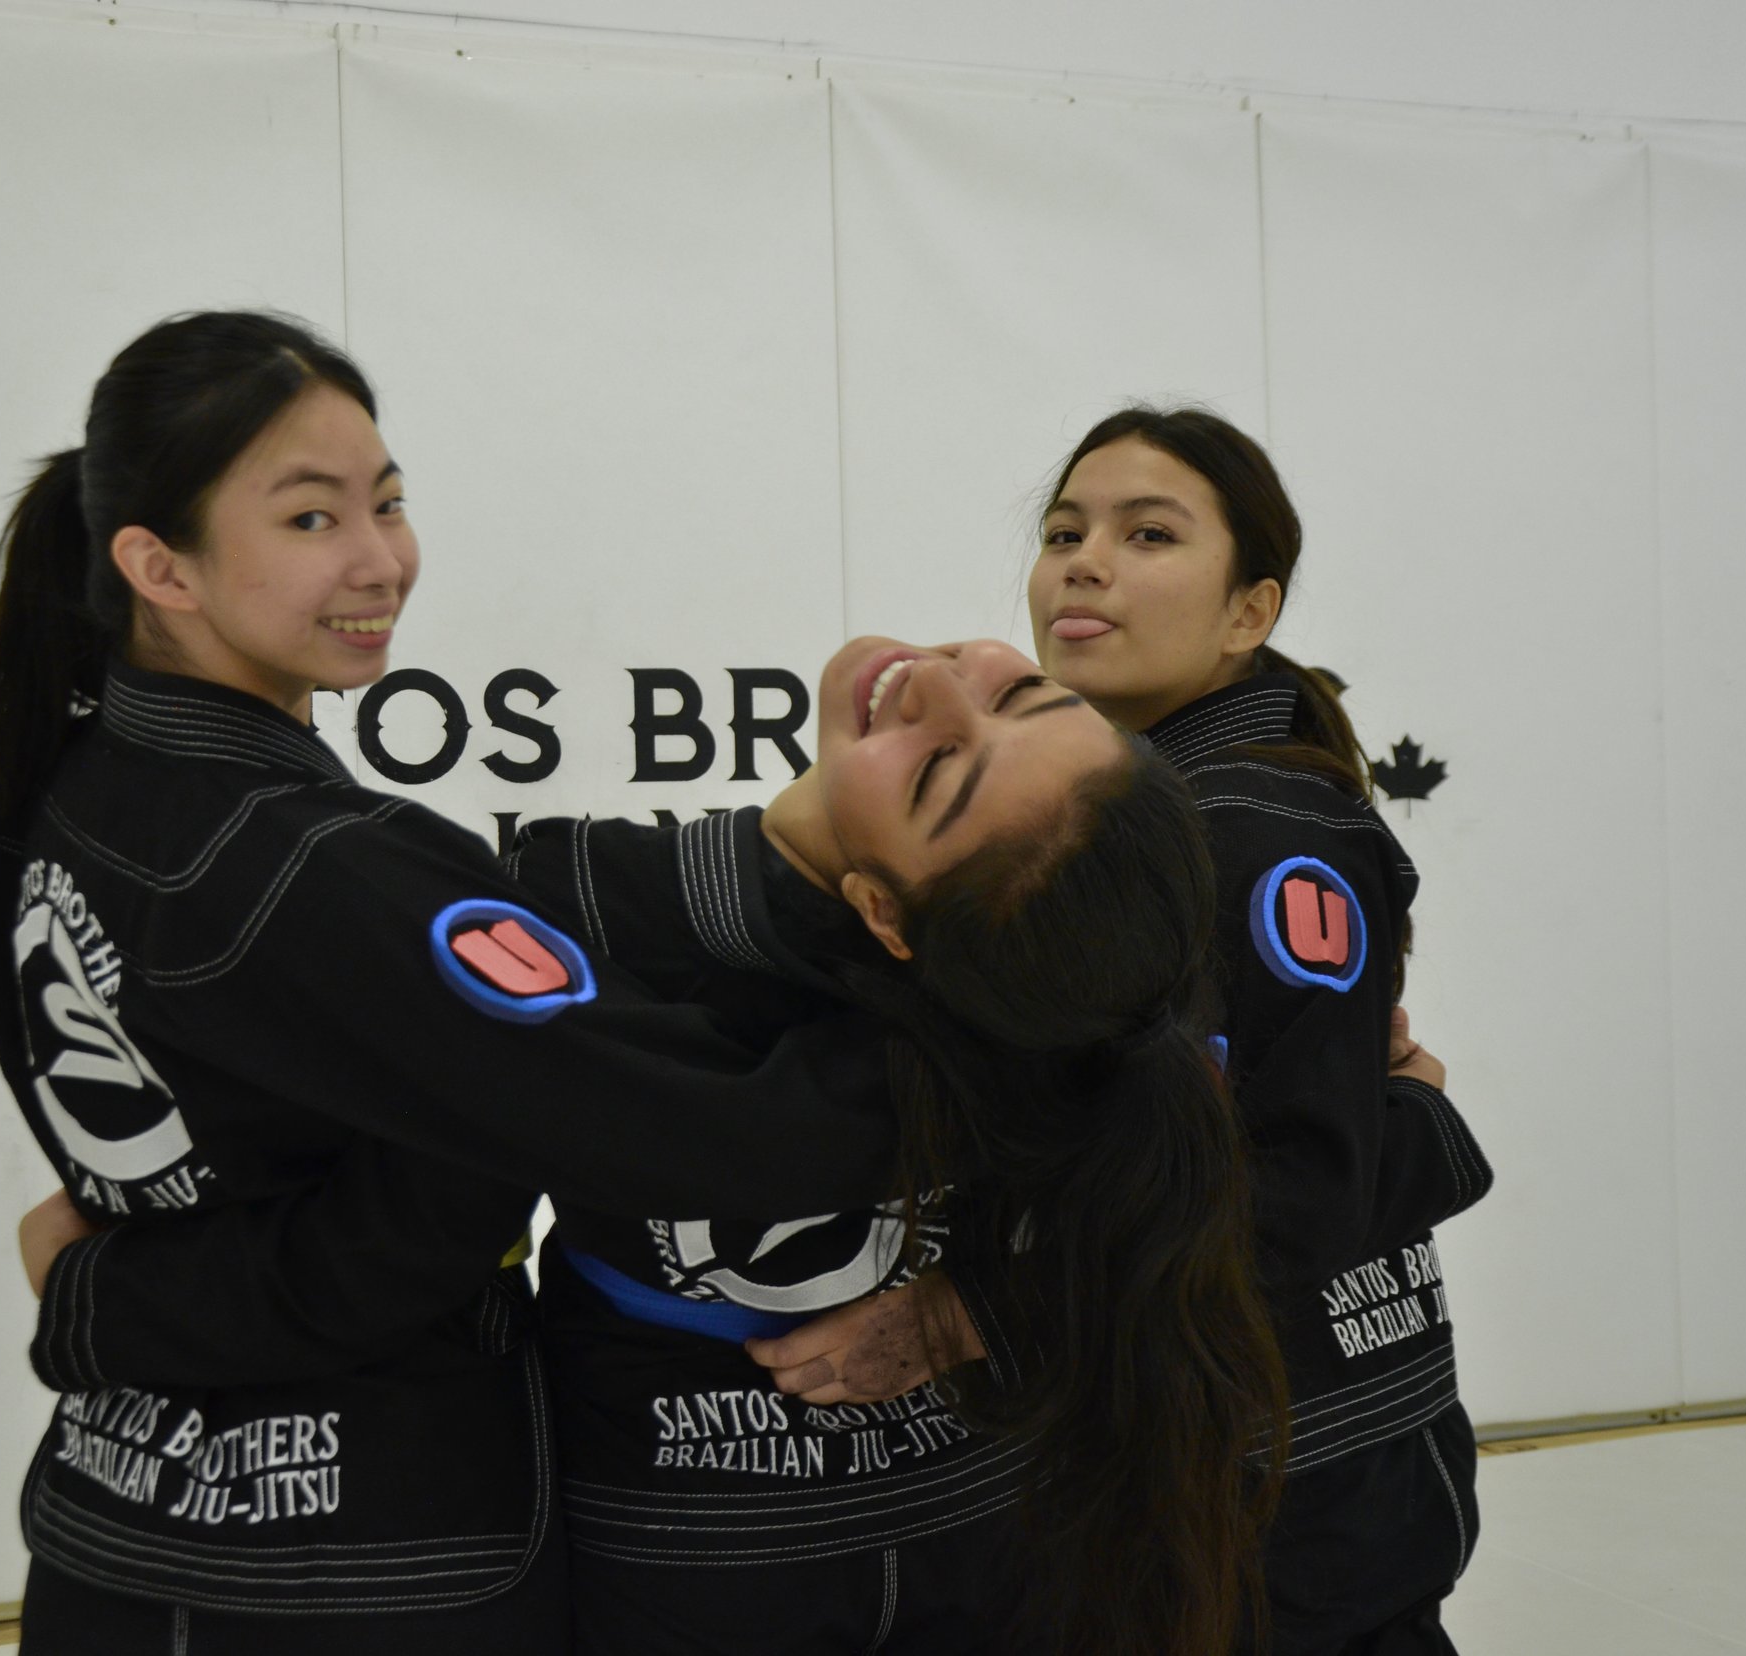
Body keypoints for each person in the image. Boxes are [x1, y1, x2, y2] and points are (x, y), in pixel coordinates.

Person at [0, 310, 913, 1654]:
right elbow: (704, 1131)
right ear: (157, 565)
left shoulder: (72, 784)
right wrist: (983, 1025)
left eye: (390, 502)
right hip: (359, 1565)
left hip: (120, 1525)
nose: (381, 560)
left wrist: (109, 1303)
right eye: (309, 520)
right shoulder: (309, 861)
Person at [499, 637, 1287, 1656]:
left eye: (934, 774)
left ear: (884, 915)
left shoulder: (581, 896)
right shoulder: (1087, 995)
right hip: (699, 1526)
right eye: (1021, 688)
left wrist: (972, 1311)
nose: (936, 683)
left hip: (923, 1524)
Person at [1025, 407, 1494, 1653]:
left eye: (1148, 533)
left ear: (1250, 611)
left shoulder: (1249, 830)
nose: (1084, 559)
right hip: (1262, 1475)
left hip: (1285, 1497)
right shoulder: (1158, 814)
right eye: (1064, 529)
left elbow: (1303, 1185)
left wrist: (975, 1313)